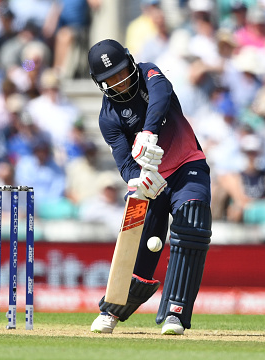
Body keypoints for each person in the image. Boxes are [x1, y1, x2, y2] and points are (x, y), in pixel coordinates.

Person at [87, 39, 211, 336]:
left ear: (130, 63)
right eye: (110, 79)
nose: (119, 81)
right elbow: (124, 163)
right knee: (139, 238)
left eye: (121, 72)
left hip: (186, 164)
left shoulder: (149, 73)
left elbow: (162, 94)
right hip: (151, 181)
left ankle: (175, 313)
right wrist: (137, 179)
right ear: (100, 84)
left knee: (191, 223)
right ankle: (112, 310)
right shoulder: (108, 118)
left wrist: (147, 132)